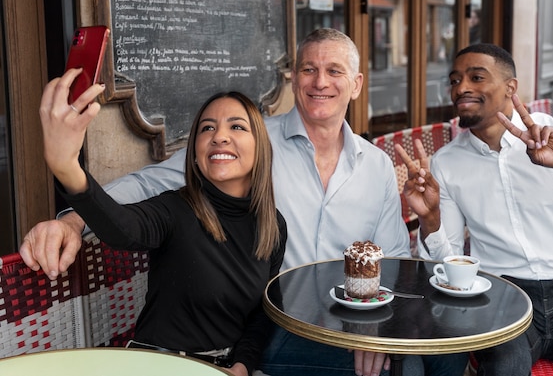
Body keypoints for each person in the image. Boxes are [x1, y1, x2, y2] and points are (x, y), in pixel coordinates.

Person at [22, 28, 468, 376]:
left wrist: (374, 331)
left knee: (447, 357)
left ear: (355, 85)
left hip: (343, 324)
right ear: (294, 79)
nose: (320, 81)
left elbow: (388, 261)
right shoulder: (248, 139)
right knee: (405, 368)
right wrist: (74, 222)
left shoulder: (374, 164)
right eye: (308, 69)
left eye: (334, 71)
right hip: (278, 327)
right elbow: (148, 185)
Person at [396, 42, 553, 376]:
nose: (462, 88)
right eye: (455, 80)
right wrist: (430, 221)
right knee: (505, 368)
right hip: (502, 298)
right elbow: (449, 266)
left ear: (511, 87)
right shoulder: (446, 162)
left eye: (476, 77)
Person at [40, 79, 287, 376]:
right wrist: (67, 168)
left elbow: (264, 311)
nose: (219, 136)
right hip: (161, 366)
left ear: (260, 147)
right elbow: (122, 228)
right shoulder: (175, 210)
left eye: (236, 127)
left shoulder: (273, 225)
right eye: (207, 128)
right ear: (194, 154)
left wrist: (243, 364)